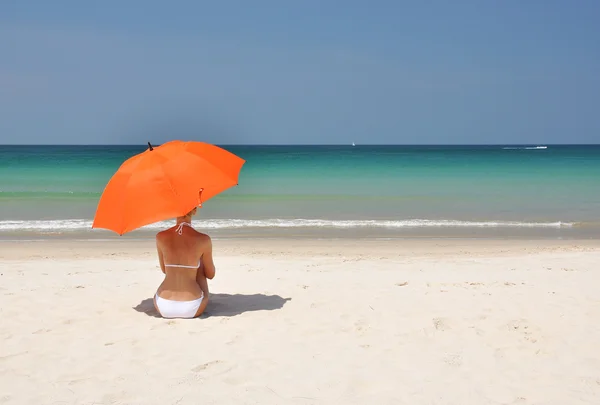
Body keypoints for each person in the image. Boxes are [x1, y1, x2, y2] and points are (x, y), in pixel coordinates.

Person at [153, 207, 215, 318]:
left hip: (163, 304)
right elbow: (210, 275)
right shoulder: (203, 239)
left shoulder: (160, 237)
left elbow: (164, 270)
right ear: (194, 211)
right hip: (192, 306)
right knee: (199, 266)